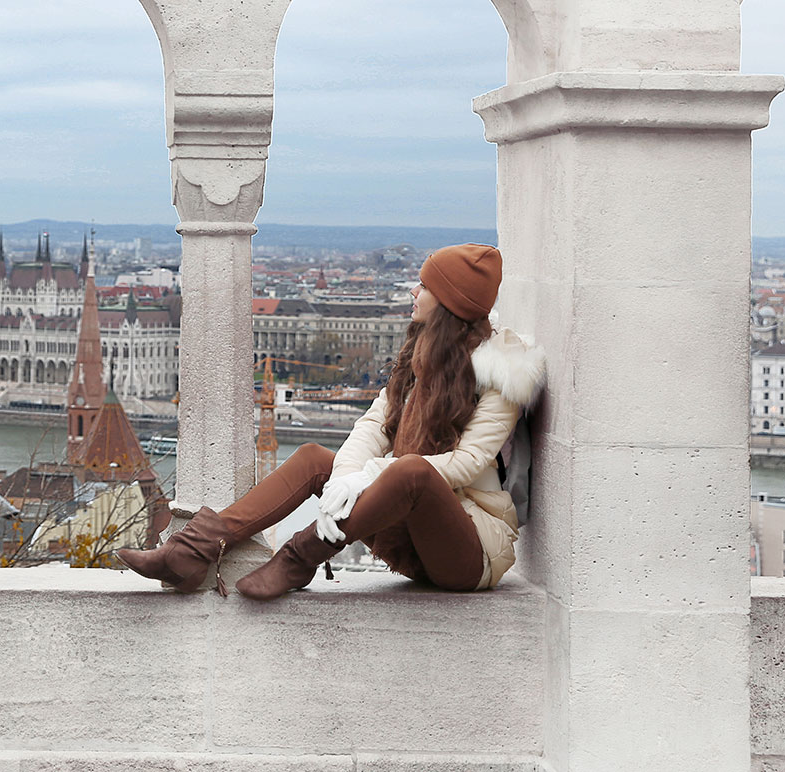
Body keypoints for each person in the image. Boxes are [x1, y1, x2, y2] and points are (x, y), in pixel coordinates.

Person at [118, 243, 543, 600]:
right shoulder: (421, 355)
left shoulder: (500, 375)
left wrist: (371, 476)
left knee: (411, 471)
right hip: (406, 533)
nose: (414, 291)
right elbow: (374, 426)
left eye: (425, 285)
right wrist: (346, 477)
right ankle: (192, 550)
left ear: (449, 302)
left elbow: (469, 461)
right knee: (313, 457)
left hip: (465, 551)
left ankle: (298, 558)